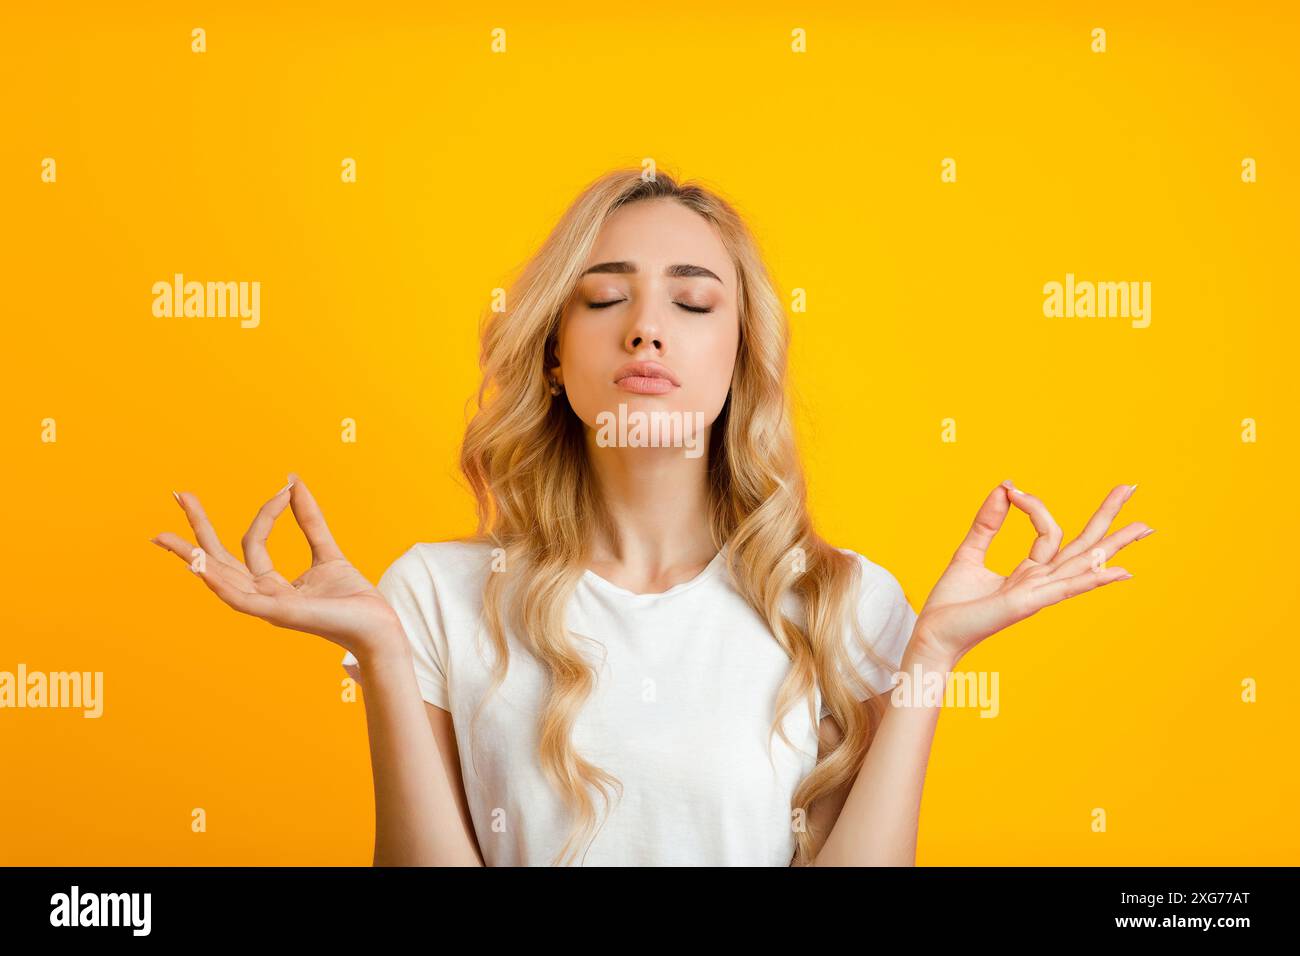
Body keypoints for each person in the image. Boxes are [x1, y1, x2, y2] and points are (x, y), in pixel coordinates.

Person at [150, 168, 1152, 866]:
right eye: (602, 299)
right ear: (553, 352)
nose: (645, 327)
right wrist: (375, 647)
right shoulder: (430, 595)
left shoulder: (846, 603)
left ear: (738, 357)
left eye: (693, 302)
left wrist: (929, 652)